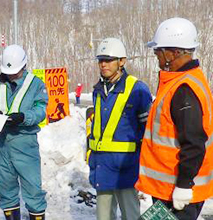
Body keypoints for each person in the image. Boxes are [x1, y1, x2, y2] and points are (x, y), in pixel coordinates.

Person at [135, 17, 213, 219]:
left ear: (174, 52)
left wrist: (184, 185)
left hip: (178, 192)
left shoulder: (184, 90)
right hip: (168, 188)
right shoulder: (182, 81)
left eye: (158, 52)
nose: (157, 57)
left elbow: (194, 142)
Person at [88, 37, 152, 220]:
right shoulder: (98, 90)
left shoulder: (137, 89)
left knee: (130, 215)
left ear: (121, 61)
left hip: (126, 167)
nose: (103, 64)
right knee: (103, 216)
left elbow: (148, 129)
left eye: (108, 60)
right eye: (101, 60)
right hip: (102, 165)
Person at [0, 44, 48, 220]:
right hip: (1, 143)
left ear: (24, 66)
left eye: (15, 71)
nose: (11, 74)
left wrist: (23, 117)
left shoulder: (35, 84)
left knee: (33, 190)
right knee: (6, 190)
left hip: (24, 143)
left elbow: (41, 110)